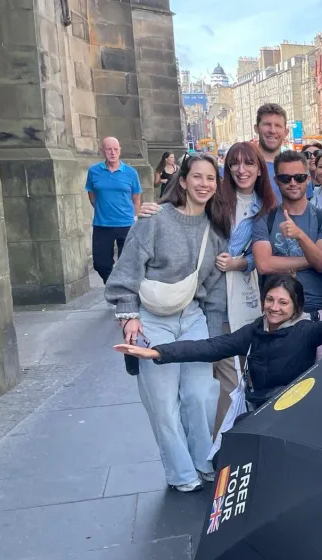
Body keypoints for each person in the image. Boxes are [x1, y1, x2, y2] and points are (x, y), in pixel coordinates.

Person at [104, 153, 233, 493]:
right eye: (198, 177)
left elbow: (216, 290)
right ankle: (181, 473)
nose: (204, 184)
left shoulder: (216, 230)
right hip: (150, 320)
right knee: (162, 404)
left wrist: (215, 340)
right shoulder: (156, 219)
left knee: (199, 394)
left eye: (210, 178)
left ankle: (204, 461)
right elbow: (128, 268)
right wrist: (128, 316)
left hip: (192, 317)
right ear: (184, 180)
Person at [114, 274, 322, 410]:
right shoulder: (254, 331)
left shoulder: (307, 331)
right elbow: (211, 347)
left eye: (283, 303)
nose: (274, 307)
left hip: (296, 409)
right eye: (270, 300)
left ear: (296, 308)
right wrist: (157, 352)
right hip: (262, 408)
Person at [212, 142, 279, 436]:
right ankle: (222, 444)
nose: (242, 170)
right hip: (213, 296)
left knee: (244, 371)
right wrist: (155, 208)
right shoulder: (215, 200)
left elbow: (266, 253)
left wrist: (240, 263)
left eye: (249, 163)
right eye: (235, 164)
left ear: (259, 169)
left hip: (247, 296)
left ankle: (239, 437)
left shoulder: (266, 207)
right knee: (226, 377)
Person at [251, 151, 322, 359]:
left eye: (300, 177)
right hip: (278, 316)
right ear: (277, 181)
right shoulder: (266, 220)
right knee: (283, 386)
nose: (293, 183)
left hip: (317, 313)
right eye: (286, 178)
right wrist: (311, 260)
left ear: (309, 178)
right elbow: (264, 264)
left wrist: (299, 236)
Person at [86, 137, 143, 284]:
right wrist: (104, 210)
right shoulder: (94, 171)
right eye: (109, 149)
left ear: (120, 151)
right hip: (102, 224)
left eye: (116, 149)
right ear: (102, 151)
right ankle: (112, 284)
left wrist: (134, 218)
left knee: (128, 263)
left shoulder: (131, 173)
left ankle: (123, 291)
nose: (112, 153)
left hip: (126, 224)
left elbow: (136, 199)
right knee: (100, 263)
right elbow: (92, 196)